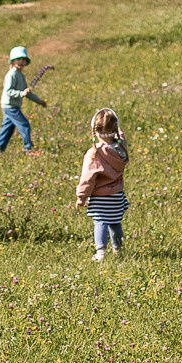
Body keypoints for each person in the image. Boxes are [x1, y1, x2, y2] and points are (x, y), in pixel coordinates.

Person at [76, 108, 130, 259]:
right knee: (115, 221)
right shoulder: (120, 147)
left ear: (94, 130)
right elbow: (120, 135)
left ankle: (100, 252)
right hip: (117, 195)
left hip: (101, 197)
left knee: (100, 222)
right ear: (116, 128)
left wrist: (81, 196)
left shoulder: (94, 153)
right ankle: (118, 249)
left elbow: (87, 178)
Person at [0, 45, 48, 155]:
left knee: (7, 130)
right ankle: (28, 149)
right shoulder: (12, 74)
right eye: (18, 59)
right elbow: (8, 91)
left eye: (23, 59)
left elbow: (28, 93)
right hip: (9, 106)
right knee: (24, 124)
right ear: (12, 61)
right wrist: (21, 93)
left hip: (13, 106)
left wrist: (39, 101)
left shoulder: (20, 75)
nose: (21, 62)